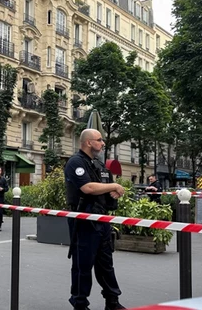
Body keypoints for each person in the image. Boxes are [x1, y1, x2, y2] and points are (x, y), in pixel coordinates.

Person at [65, 129, 125, 310]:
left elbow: (103, 188)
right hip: (84, 220)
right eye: (99, 140)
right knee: (83, 265)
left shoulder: (98, 164)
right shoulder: (76, 162)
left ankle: (112, 301)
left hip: (101, 218)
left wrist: (113, 192)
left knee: (106, 263)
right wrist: (113, 186)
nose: (103, 143)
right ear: (89, 142)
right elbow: (88, 188)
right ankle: (80, 303)